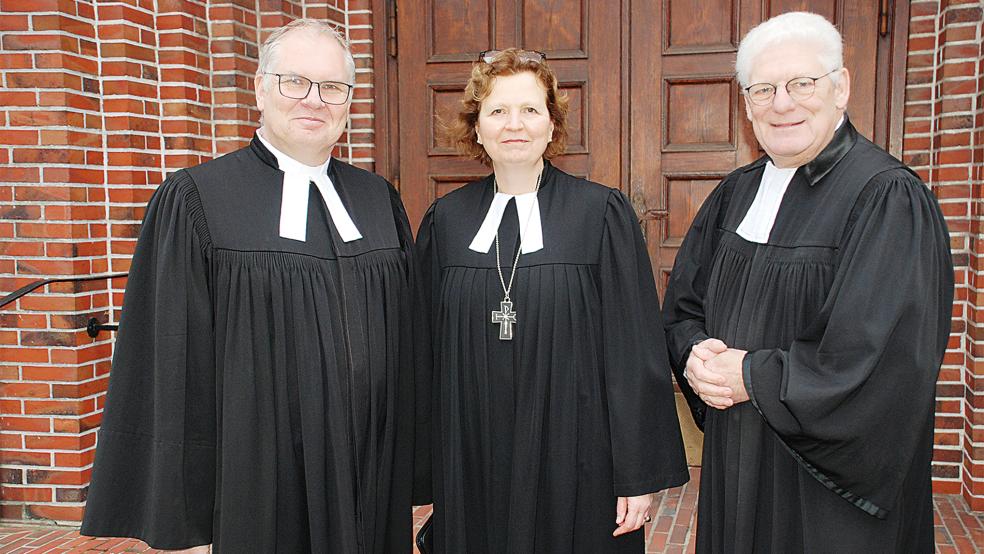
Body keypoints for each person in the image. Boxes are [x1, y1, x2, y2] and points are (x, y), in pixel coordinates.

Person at [81, 19, 430, 552]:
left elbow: (408, 351)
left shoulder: (377, 199)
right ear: (260, 90)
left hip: (369, 477)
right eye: (295, 81)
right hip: (256, 484)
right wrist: (188, 526)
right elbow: (173, 367)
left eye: (332, 87)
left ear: (349, 103)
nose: (314, 100)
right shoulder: (198, 199)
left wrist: (415, 476)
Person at [662, 12, 953, 553]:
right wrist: (695, 353)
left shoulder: (887, 197)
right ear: (746, 105)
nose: (782, 104)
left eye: (801, 83)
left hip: (828, 489)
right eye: (763, 89)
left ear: (840, 88)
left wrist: (752, 376)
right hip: (737, 456)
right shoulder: (736, 193)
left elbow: (883, 355)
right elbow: (684, 306)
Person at [417, 48, 689, 553]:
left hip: (578, 455)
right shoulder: (446, 221)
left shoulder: (600, 214)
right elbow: (424, 354)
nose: (513, 124)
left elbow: (634, 350)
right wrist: (425, 474)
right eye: (497, 111)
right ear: (477, 128)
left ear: (551, 125)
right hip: (473, 455)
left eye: (529, 109)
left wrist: (637, 474)